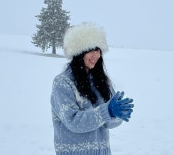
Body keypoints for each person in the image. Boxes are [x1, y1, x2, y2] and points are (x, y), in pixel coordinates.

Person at [50, 22, 134, 155]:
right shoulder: (62, 82)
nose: (96, 55)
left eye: (98, 50)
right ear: (79, 53)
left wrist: (116, 114)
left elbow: (107, 123)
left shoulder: (101, 82)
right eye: (90, 50)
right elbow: (73, 121)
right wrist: (106, 111)